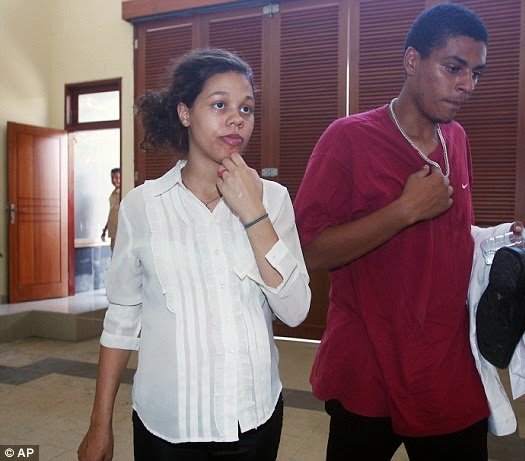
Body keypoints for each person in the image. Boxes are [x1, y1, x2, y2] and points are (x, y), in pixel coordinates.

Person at [78, 48, 311, 461]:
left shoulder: (273, 200)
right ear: (185, 113)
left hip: (253, 421)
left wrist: (253, 212)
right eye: (220, 105)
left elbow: (295, 311)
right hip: (168, 429)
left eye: (246, 108)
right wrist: (100, 423)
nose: (237, 118)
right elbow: (121, 320)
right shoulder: (143, 206)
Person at [293, 3, 493, 459]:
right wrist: (403, 211)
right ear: (412, 61)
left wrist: (498, 239)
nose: (467, 85)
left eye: (476, 73)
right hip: (369, 367)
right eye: (453, 68)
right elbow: (308, 251)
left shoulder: (457, 138)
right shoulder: (348, 139)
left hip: (446, 366)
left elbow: (450, 237)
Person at [101, 167, 121, 251]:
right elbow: (112, 213)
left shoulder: (122, 193)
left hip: (120, 231)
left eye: (117, 177)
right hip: (113, 231)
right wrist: (105, 229)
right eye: (112, 177)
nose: (114, 180)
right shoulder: (113, 194)